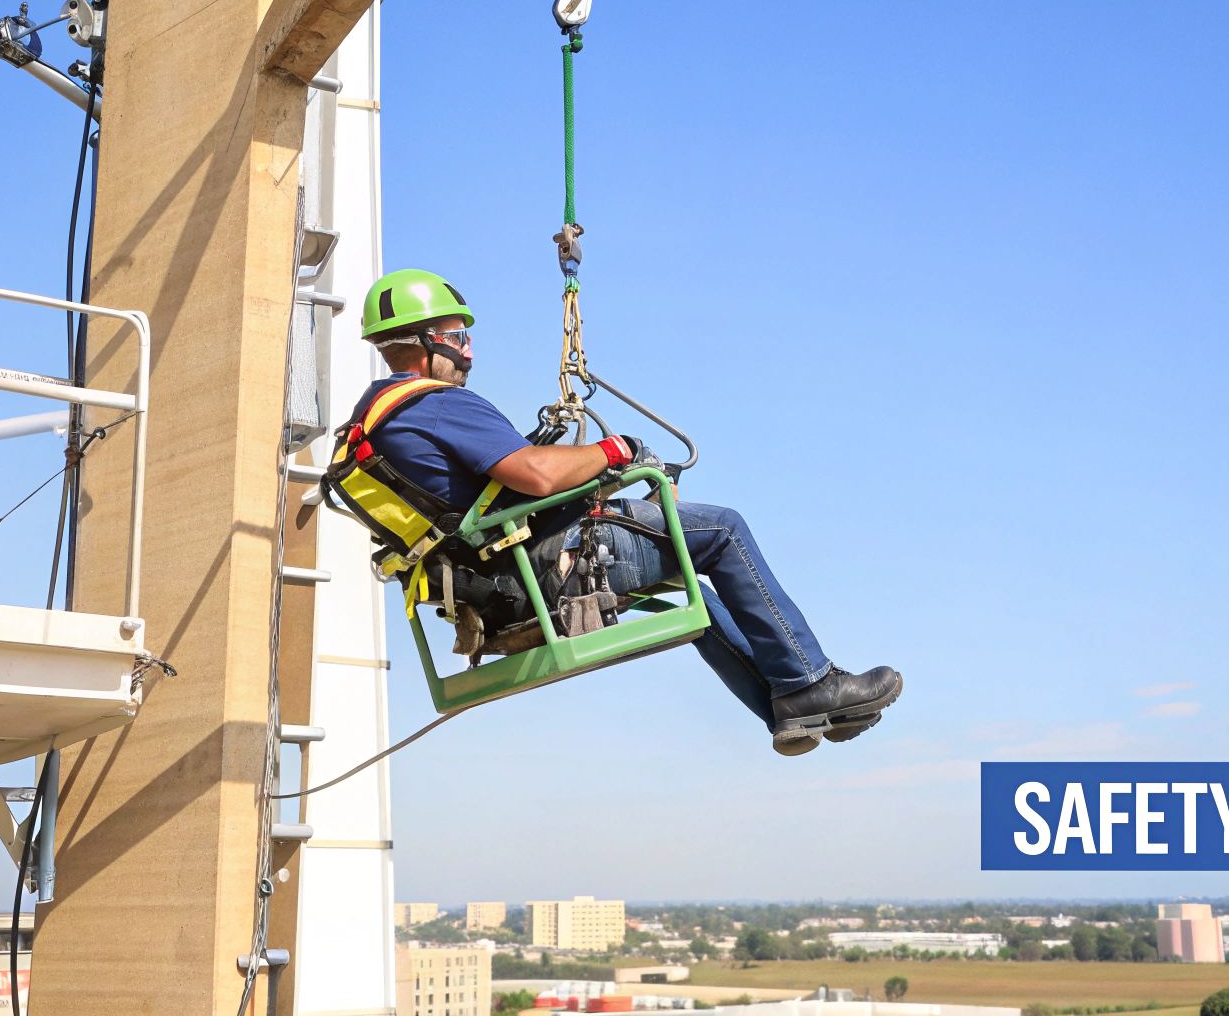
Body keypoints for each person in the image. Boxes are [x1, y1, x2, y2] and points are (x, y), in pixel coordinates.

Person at [348, 269, 901, 755]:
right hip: (555, 570)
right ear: (427, 341)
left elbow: (487, 494)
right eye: (458, 337)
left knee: (693, 586)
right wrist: (616, 452)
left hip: (495, 590)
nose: (468, 351)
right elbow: (536, 474)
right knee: (722, 531)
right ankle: (810, 681)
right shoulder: (440, 405)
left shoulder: (371, 430)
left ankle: (784, 707)